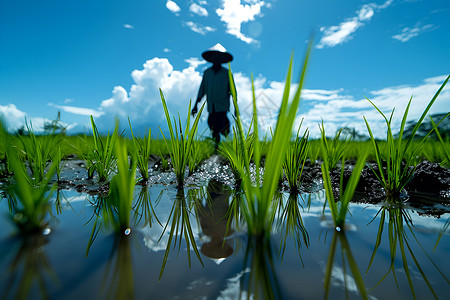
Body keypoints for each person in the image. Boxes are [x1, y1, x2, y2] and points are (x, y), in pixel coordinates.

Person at [191, 43, 236, 148]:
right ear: (212, 58)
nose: (217, 59)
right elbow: (202, 90)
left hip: (222, 105)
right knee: (211, 122)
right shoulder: (207, 73)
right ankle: (221, 144)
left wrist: (236, 108)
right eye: (215, 56)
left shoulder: (227, 73)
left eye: (219, 56)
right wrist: (195, 105)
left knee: (220, 123)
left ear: (222, 58)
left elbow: (233, 92)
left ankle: (221, 146)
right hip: (211, 106)